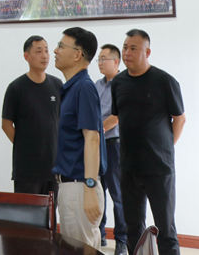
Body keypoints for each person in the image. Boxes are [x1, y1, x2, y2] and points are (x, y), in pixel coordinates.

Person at [112, 29, 185, 255]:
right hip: (129, 168)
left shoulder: (164, 81)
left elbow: (180, 118)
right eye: (125, 48)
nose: (127, 53)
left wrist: (165, 149)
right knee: (133, 228)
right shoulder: (118, 83)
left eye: (133, 48)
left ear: (147, 52)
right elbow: (118, 117)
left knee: (166, 229)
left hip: (159, 168)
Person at [52, 27, 106, 249]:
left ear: (77, 54)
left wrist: (89, 187)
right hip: (72, 186)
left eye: (61, 46)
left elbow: (92, 138)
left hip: (80, 186)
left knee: (81, 249)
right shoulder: (72, 88)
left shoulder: (83, 87)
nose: (55, 51)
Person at [1, 35, 62, 195]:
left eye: (46, 51)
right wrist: (24, 145)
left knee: (51, 209)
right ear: (26, 56)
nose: (45, 56)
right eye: (39, 51)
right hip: (26, 169)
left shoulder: (57, 85)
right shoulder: (16, 88)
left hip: (53, 166)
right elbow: (6, 124)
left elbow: (61, 121)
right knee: (27, 210)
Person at [95, 44, 127, 255]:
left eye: (103, 59)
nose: (100, 62)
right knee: (98, 191)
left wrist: (97, 130)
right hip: (96, 144)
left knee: (117, 194)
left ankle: (122, 239)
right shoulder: (96, 85)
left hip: (114, 144)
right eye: (98, 59)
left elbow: (117, 116)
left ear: (116, 62)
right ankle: (100, 233)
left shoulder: (123, 84)